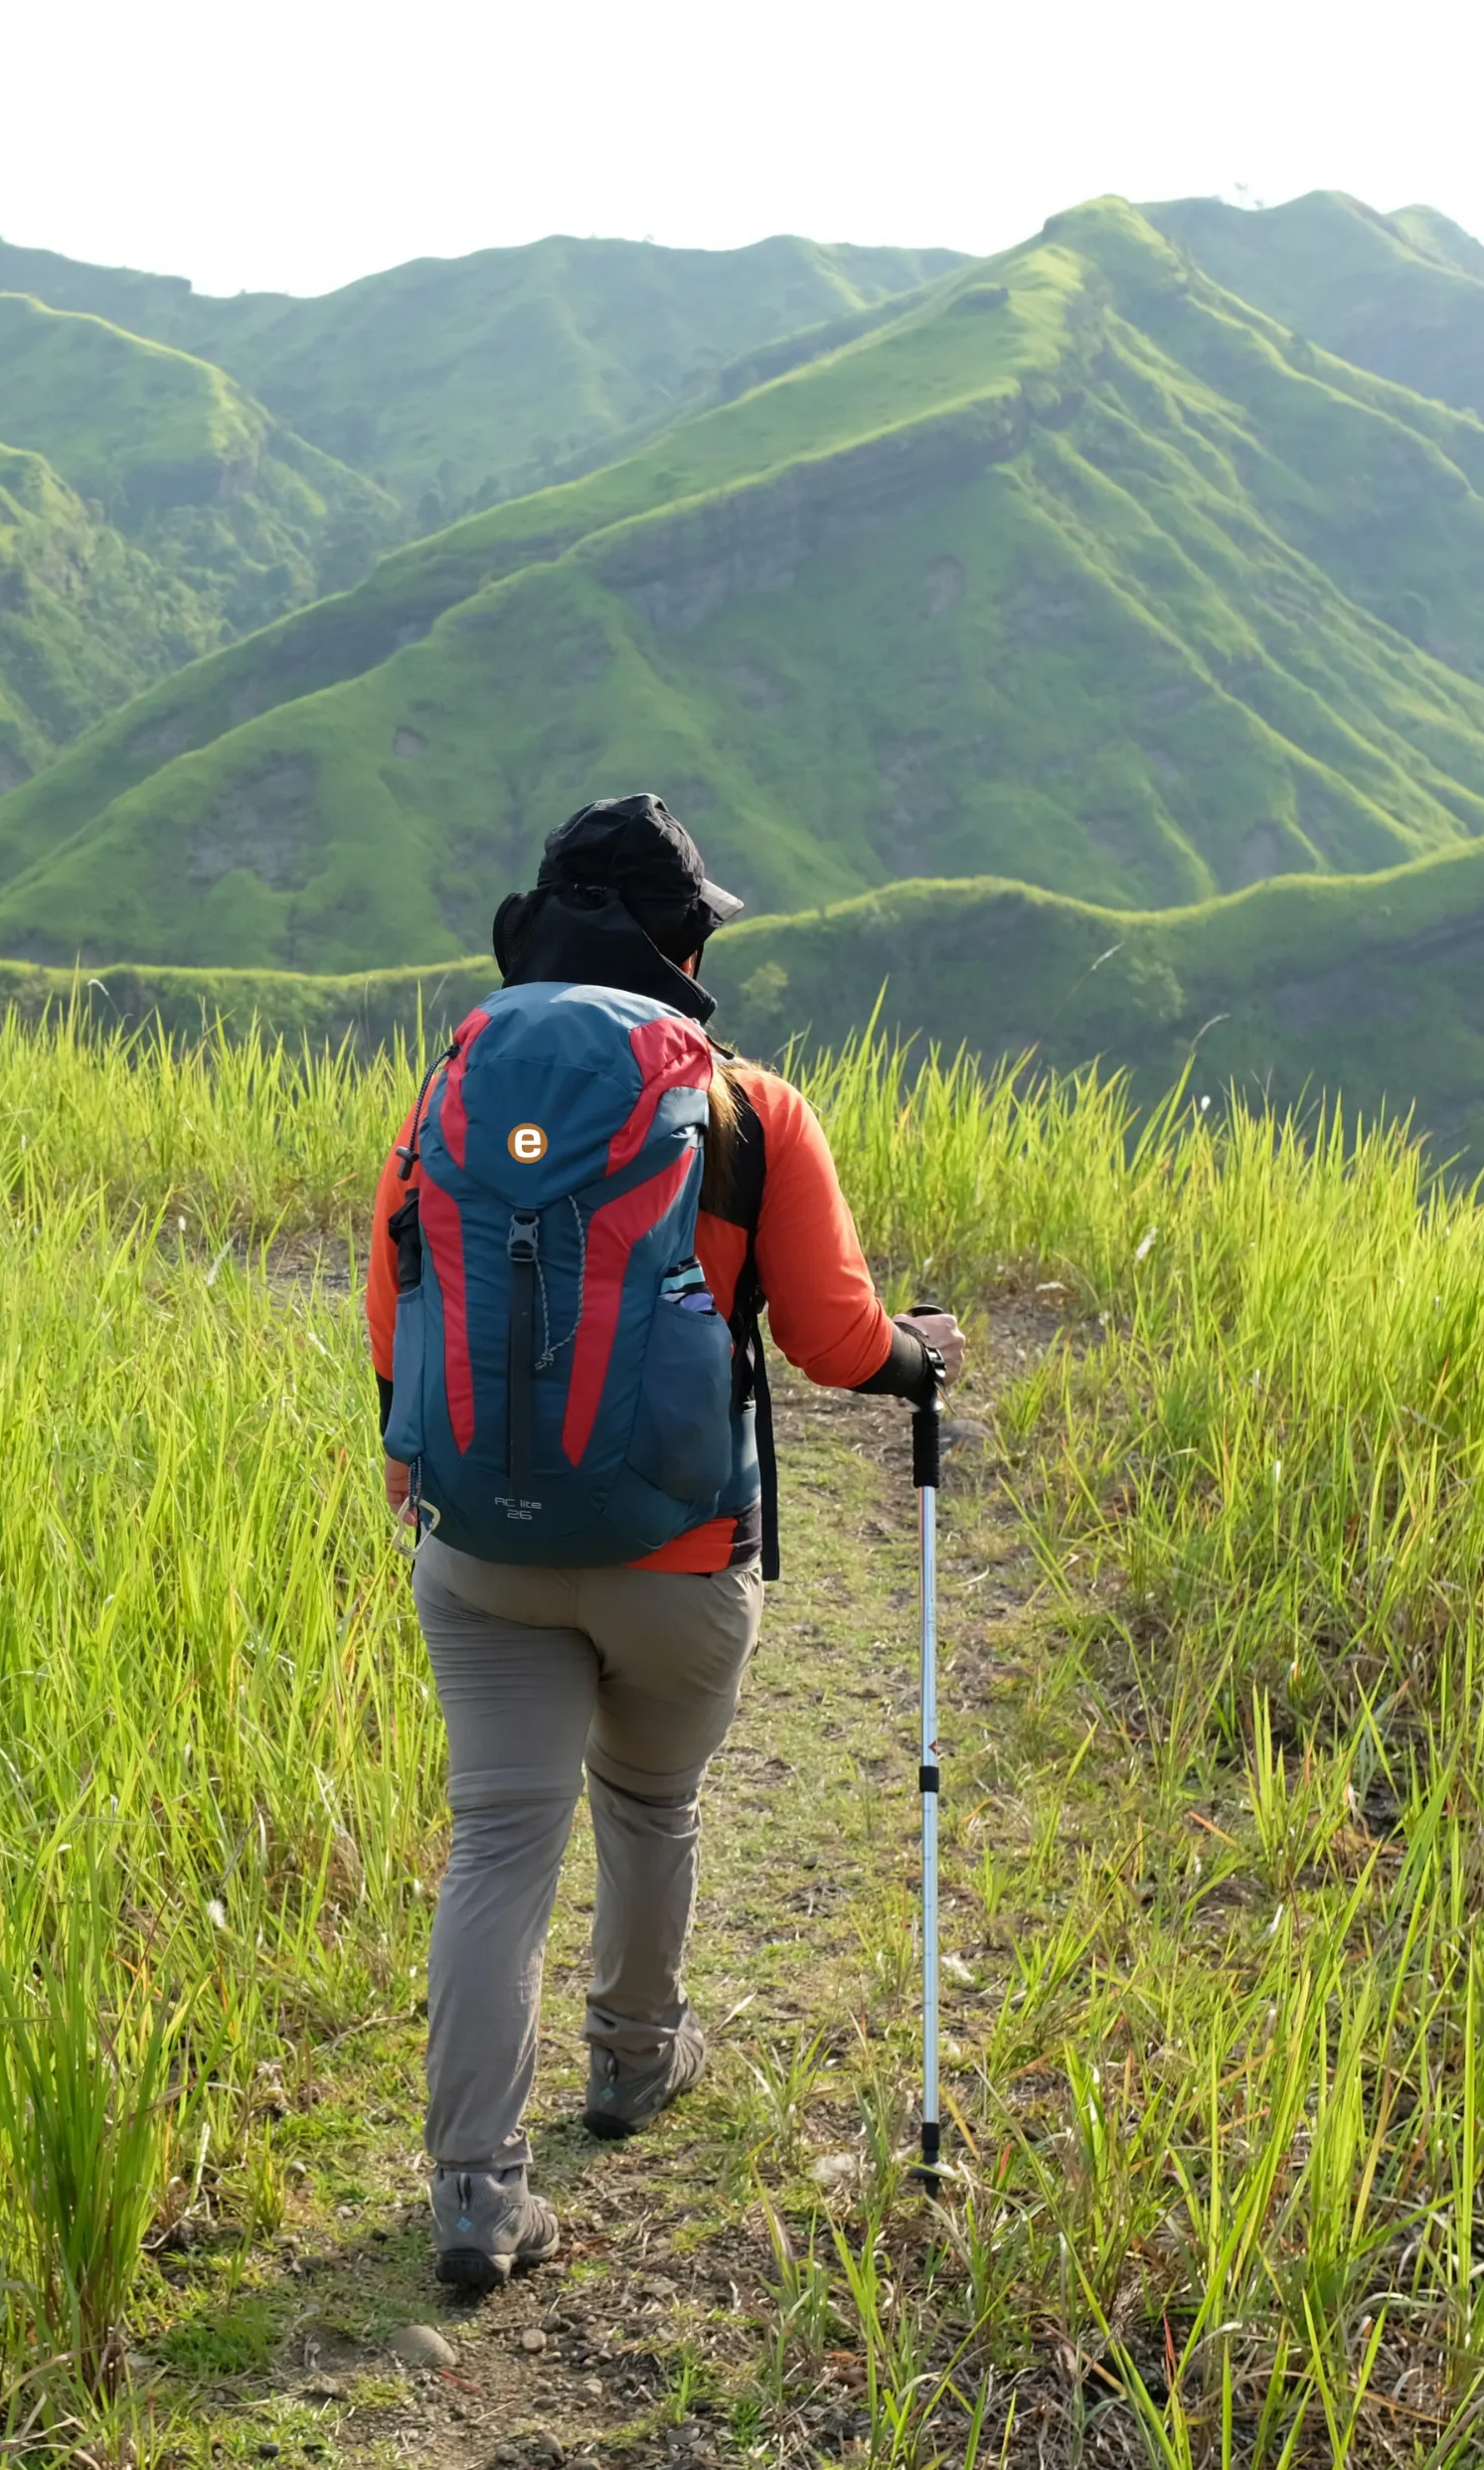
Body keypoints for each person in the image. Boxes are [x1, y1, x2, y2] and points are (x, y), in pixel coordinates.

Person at [366, 794, 958, 2290]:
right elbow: (829, 1340)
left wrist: (410, 1456)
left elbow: (397, 1311)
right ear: (676, 941)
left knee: (499, 1839)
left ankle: (473, 2197)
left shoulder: (453, 1085)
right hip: (680, 1558)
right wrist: (916, 1355)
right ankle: (633, 2063)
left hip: (479, 1549)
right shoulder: (751, 1108)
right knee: (648, 1803)